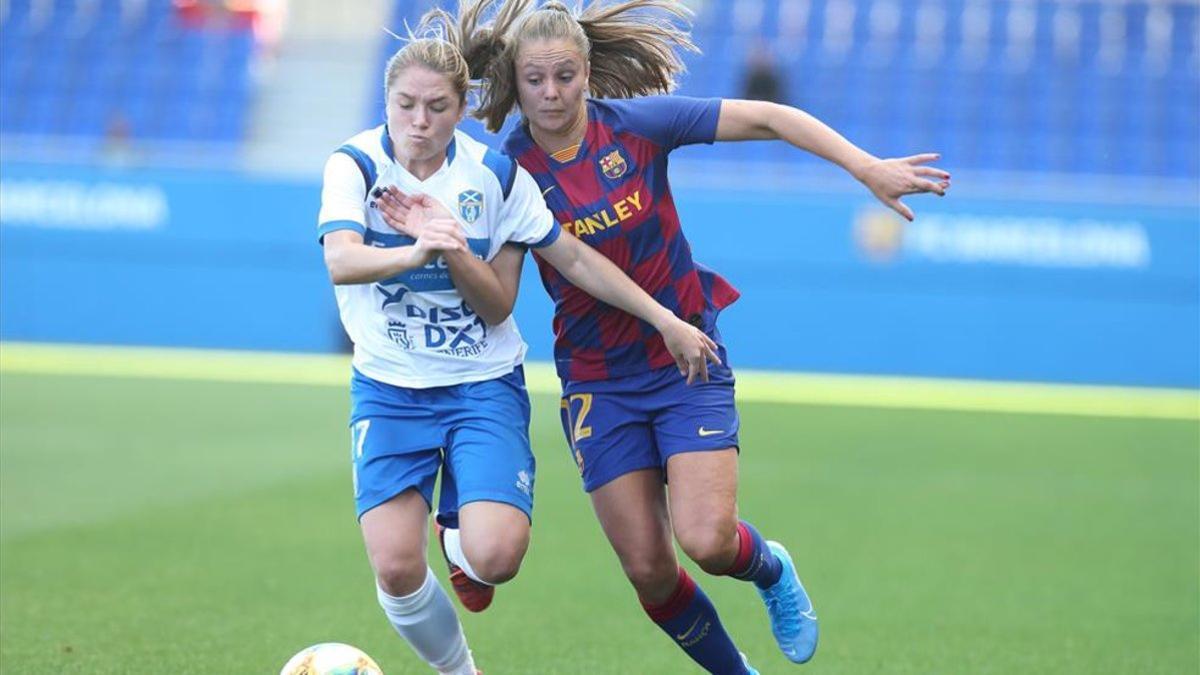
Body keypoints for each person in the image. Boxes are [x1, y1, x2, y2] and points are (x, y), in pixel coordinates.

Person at [377, 1, 950, 672]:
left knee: (707, 540)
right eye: (535, 80)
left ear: (587, 73)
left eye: (565, 76)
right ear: (517, 82)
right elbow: (500, 297)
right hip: (597, 378)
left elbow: (770, 116)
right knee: (650, 568)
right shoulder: (508, 171)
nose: (551, 93)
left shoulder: (640, 126)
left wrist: (865, 167)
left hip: (685, 357)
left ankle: (770, 569)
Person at [317, 19, 720, 675]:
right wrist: (421, 246)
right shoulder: (356, 165)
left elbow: (524, 290)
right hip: (389, 388)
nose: (419, 121)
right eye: (405, 105)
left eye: (437, 107)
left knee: (498, 556)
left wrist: (450, 246)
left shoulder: (497, 178)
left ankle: (460, 540)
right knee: (394, 566)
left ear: (462, 109)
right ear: (387, 102)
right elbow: (342, 260)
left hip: (480, 383)